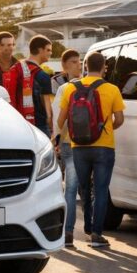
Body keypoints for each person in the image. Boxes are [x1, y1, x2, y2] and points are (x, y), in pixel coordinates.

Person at [56, 51, 124, 248]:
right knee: (101, 190)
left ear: (85, 66)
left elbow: (61, 121)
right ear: (104, 67)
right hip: (104, 146)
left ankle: (72, 231)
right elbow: (118, 119)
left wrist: (62, 139)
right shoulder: (112, 89)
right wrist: (105, 128)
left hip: (79, 147)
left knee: (83, 189)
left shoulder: (70, 88)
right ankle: (95, 234)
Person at [51, 49, 85, 247]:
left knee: (71, 189)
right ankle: (78, 231)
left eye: (79, 61)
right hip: (78, 143)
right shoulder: (92, 87)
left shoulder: (66, 90)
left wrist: (55, 139)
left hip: (69, 143)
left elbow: (58, 119)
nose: (78, 65)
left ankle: (70, 232)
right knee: (77, 188)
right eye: (73, 62)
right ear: (64, 66)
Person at [6, 35, 54, 136]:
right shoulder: (43, 76)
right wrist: (51, 126)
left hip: (17, 122)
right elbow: (47, 110)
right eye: (48, 50)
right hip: (39, 125)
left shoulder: (16, 68)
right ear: (40, 50)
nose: (51, 53)